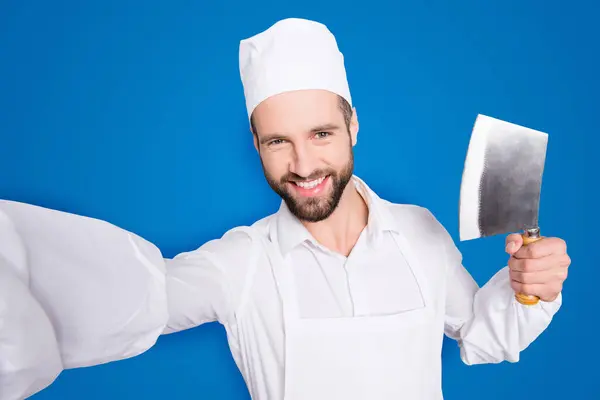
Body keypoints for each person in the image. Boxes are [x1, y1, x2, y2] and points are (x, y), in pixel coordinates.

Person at [0, 17, 570, 400]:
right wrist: (14, 256)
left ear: (353, 125)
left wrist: (529, 287)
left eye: (321, 133)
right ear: (256, 144)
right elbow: (133, 297)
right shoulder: (241, 262)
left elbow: (482, 335)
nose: (302, 164)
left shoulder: (420, 232)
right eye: (278, 141)